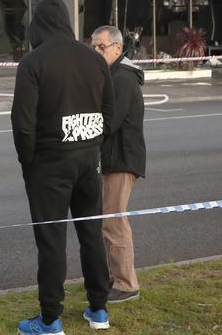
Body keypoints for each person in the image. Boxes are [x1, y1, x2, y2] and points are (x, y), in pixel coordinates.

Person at [12, 0, 114, 335]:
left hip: (49, 163)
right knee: (91, 233)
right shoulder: (95, 59)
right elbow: (109, 112)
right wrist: (91, 141)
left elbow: (23, 123)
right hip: (88, 159)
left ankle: (50, 318)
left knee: (51, 240)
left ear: (37, 24)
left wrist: (29, 163)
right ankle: (99, 309)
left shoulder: (33, 62)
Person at [91, 25, 146, 303]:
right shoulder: (113, 74)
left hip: (121, 159)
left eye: (101, 47)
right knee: (107, 220)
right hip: (114, 158)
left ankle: (126, 284)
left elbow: (109, 123)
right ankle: (114, 278)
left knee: (114, 221)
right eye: (93, 47)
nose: (97, 52)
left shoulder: (122, 78)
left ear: (117, 47)